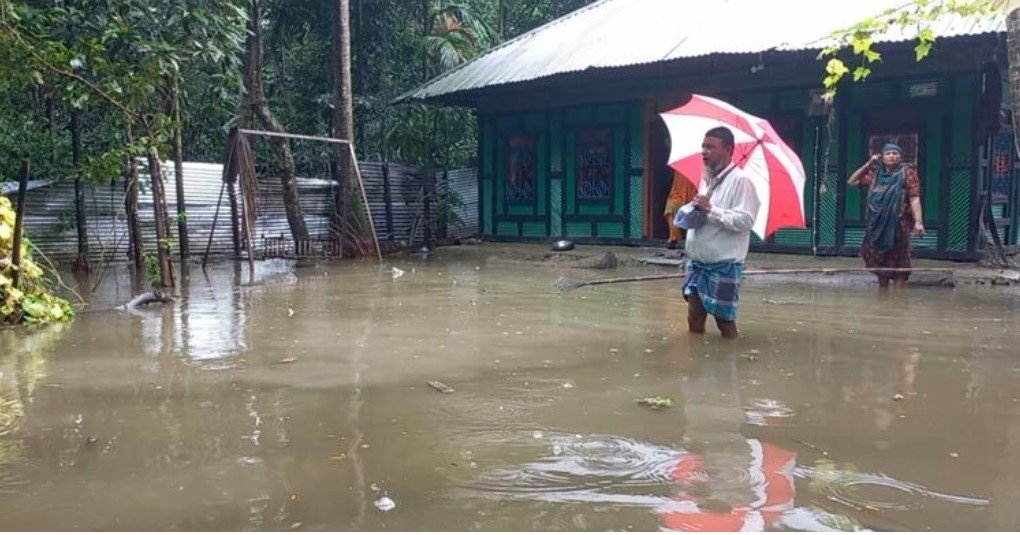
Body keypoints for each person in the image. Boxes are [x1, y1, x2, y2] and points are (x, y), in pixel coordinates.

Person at [682, 126, 760, 339]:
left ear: (728, 150)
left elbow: (745, 220)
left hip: (723, 265)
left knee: (725, 321)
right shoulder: (706, 179)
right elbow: (706, 215)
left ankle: (729, 366)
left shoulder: (741, 181)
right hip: (698, 264)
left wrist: (711, 209)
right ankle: (696, 364)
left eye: (711, 147)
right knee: (694, 318)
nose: (704, 151)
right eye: (703, 146)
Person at [848, 143, 925, 289]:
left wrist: (918, 222)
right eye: (888, 153)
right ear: (882, 157)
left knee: (900, 261)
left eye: (895, 153)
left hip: (898, 225)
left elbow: (915, 198)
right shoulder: (875, 174)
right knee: (880, 259)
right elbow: (852, 181)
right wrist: (869, 163)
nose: (891, 156)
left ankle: (898, 301)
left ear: (900, 157)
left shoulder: (907, 173)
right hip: (876, 224)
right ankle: (883, 297)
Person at [664, 170, 698, 249]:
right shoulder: (679, 170)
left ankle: (690, 239)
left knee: (692, 212)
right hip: (678, 195)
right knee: (670, 208)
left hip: (692, 196)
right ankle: (673, 238)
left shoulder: (697, 169)